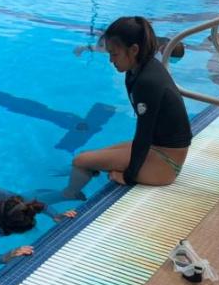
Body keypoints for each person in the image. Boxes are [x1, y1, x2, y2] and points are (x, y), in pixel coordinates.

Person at [51, 15, 191, 199]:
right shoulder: (139, 69)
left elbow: (144, 133)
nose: (110, 60)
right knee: (88, 156)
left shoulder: (147, 82)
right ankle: (81, 175)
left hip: (166, 163)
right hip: (160, 148)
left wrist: (129, 176)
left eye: (114, 54)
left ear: (133, 50)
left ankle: (69, 194)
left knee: (80, 160)